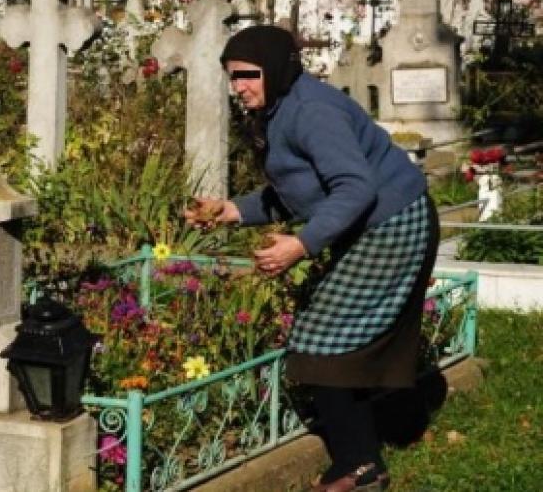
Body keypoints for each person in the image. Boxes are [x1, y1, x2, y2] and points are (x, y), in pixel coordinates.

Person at [183, 25, 438, 492]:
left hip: (392, 221)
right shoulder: (280, 108)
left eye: (248, 75)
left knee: (321, 339)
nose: (238, 86)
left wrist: (300, 246)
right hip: (372, 219)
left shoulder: (311, 111)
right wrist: (231, 210)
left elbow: (355, 188)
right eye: (232, 76)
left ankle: (360, 468)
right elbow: (299, 190)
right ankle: (388, 435)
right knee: (340, 336)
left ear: (275, 69)